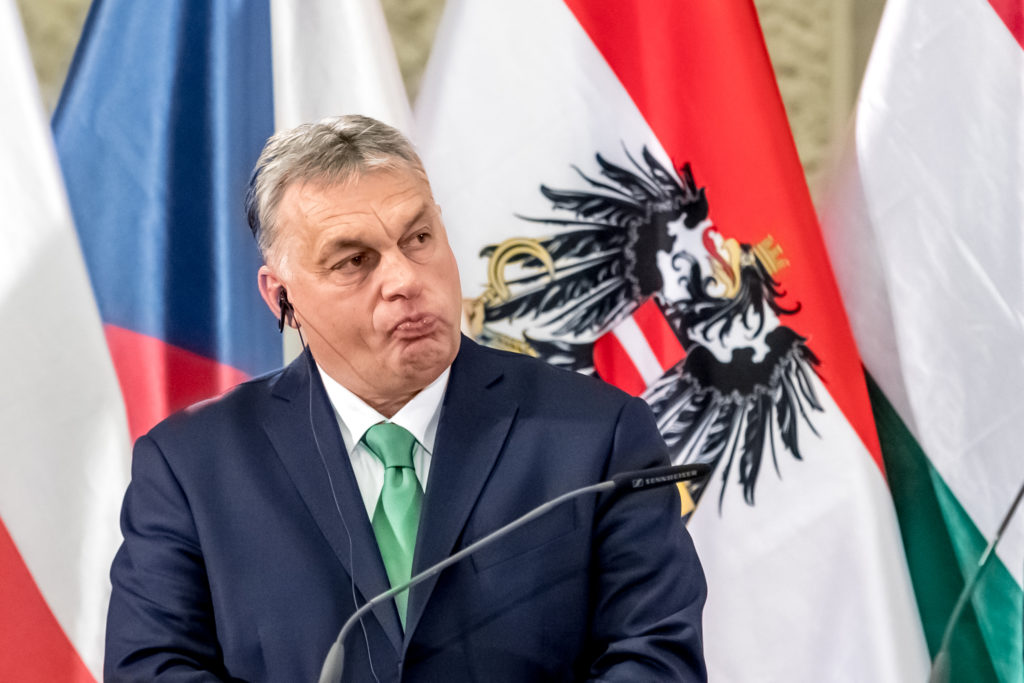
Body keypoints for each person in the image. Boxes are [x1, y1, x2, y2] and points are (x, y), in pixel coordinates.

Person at [105, 114, 707, 682]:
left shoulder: (598, 438)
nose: (406, 280)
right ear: (281, 297)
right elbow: (152, 668)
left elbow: (655, 659)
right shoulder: (192, 466)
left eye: (418, 238)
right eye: (354, 261)